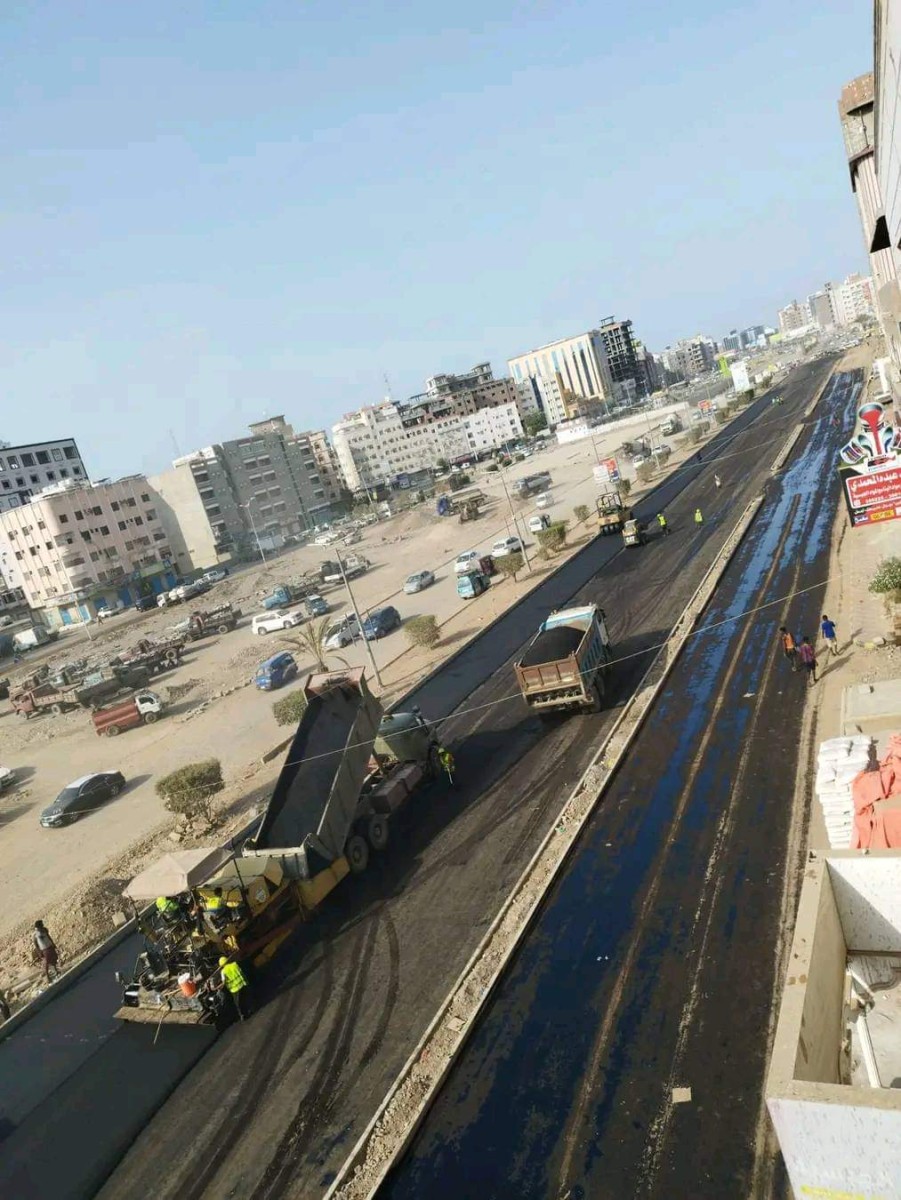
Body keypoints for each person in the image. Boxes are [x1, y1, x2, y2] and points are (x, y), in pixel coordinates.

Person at [217, 956, 250, 1021]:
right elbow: (241, 973)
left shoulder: (223, 972)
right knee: (245, 998)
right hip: (242, 984)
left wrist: (217, 988)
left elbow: (224, 982)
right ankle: (249, 1009)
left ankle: (242, 1015)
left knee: (238, 1003)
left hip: (234, 989)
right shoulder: (234, 964)